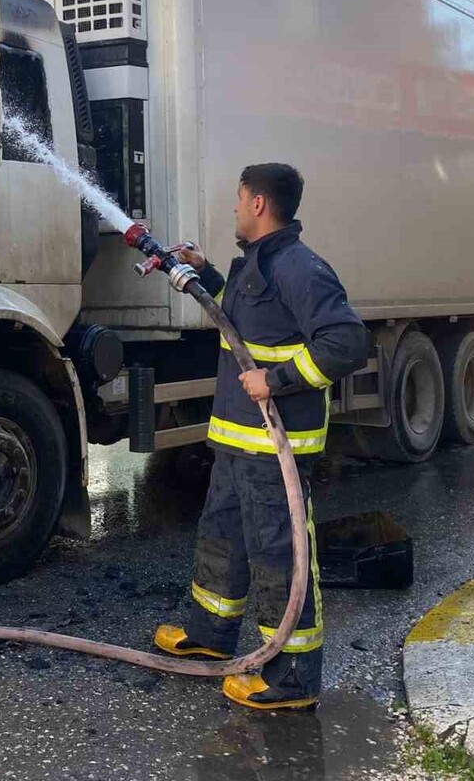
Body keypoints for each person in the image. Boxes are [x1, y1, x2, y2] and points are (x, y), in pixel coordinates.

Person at [153, 163, 369, 711]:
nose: (233, 207)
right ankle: (211, 636)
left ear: (257, 205)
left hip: (276, 448)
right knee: (223, 533)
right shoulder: (260, 266)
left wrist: (274, 381)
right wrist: (203, 272)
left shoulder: (300, 268)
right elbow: (256, 320)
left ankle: (292, 681)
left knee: (280, 553)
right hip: (237, 440)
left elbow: (345, 342)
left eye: (237, 197)